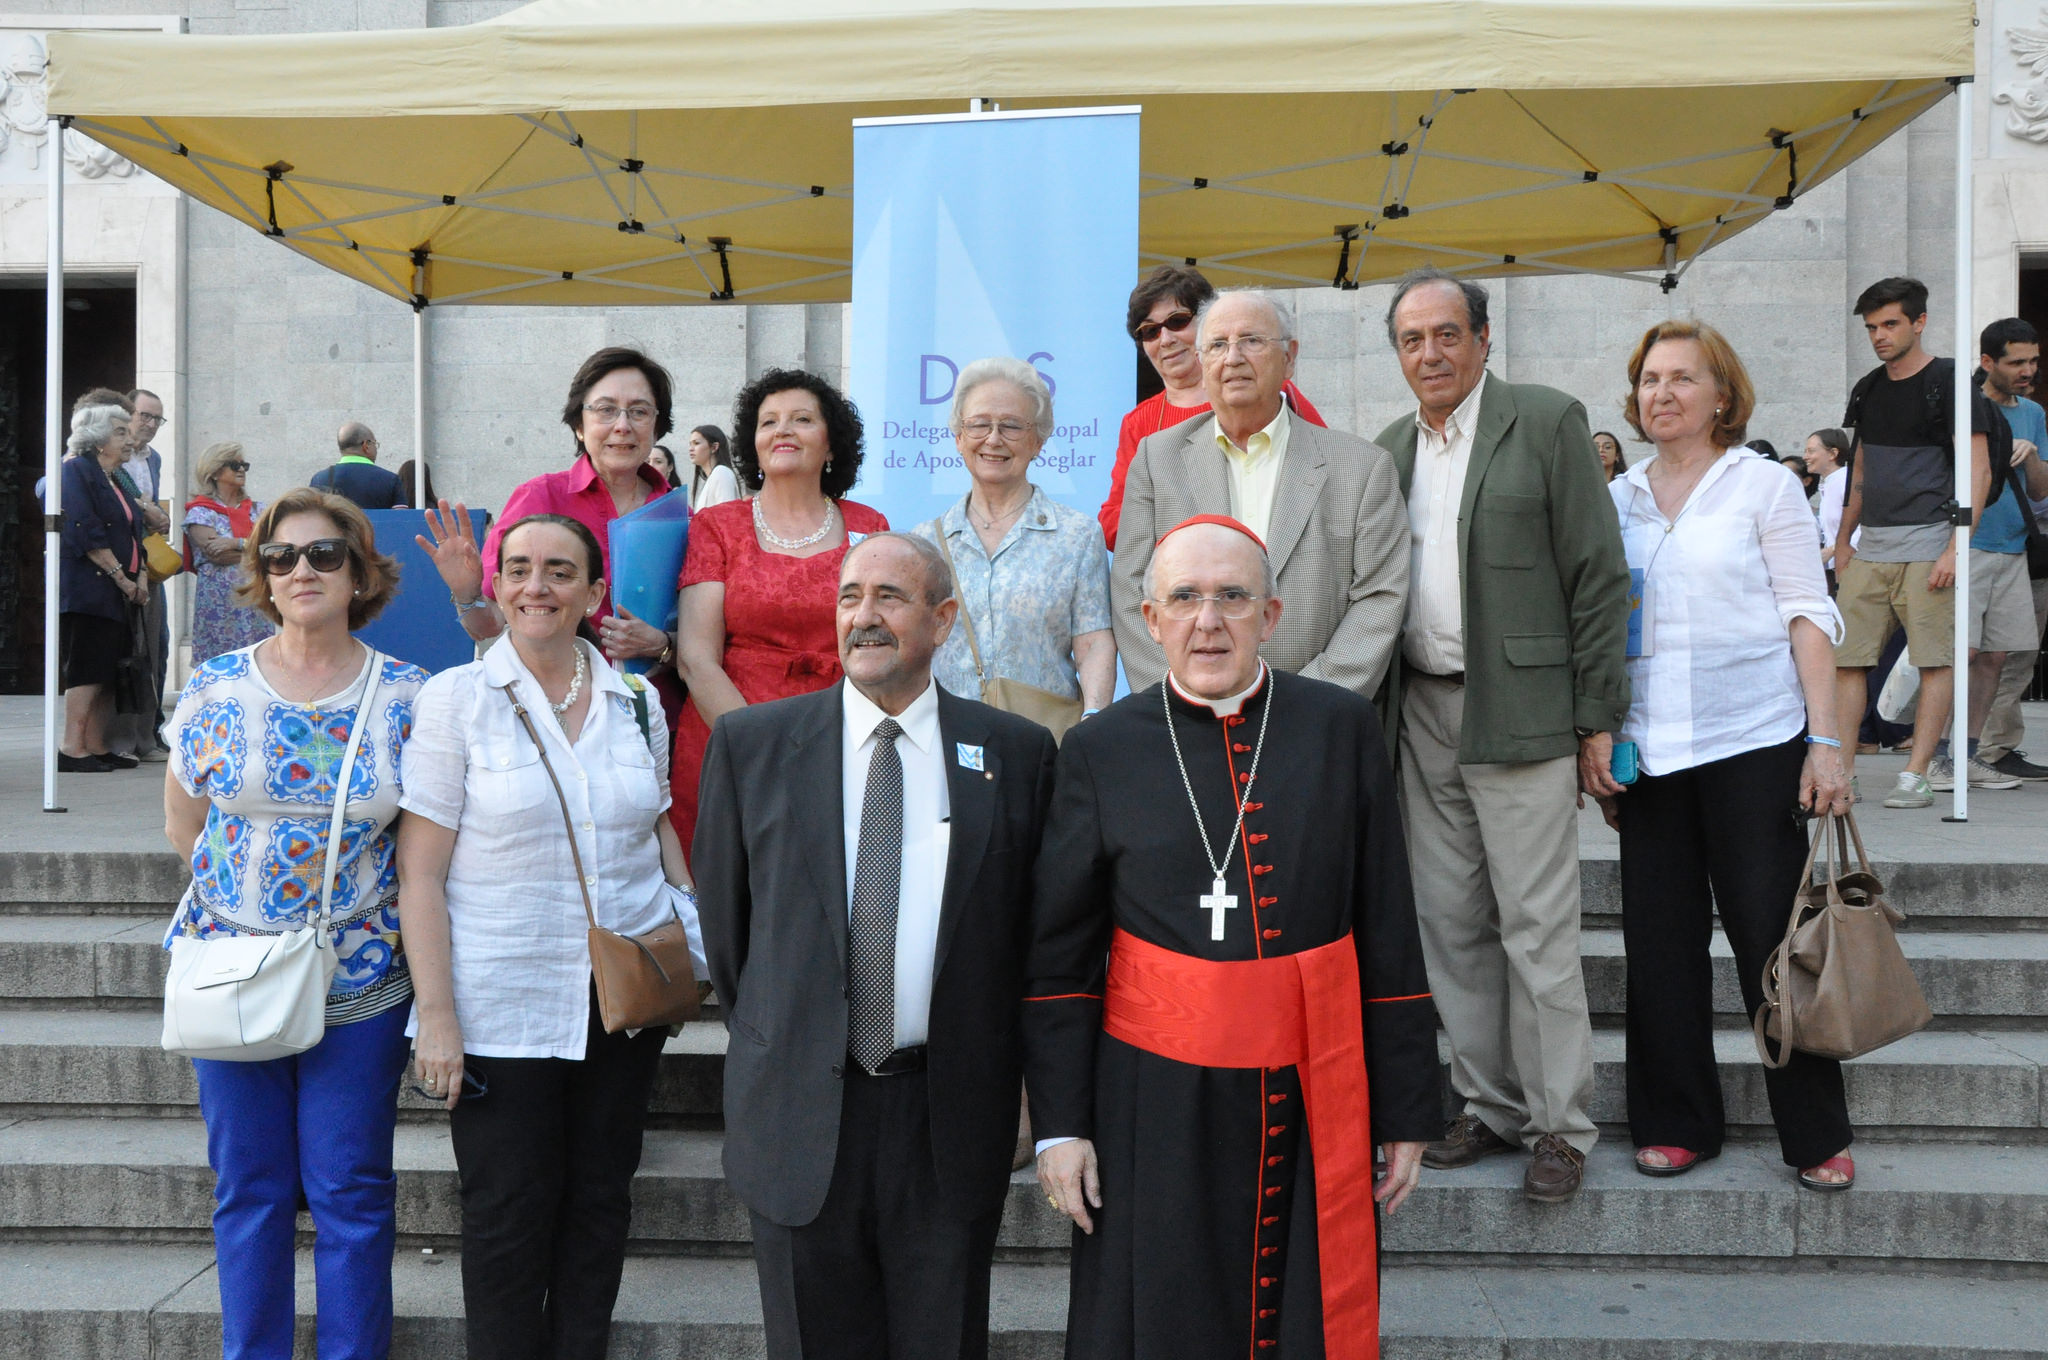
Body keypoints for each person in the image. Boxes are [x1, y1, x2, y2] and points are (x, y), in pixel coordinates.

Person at [1026, 515, 1439, 1358]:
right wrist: (1061, 1126)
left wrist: (1404, 1105)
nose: (1207, 621)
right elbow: (1059, 960)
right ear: (1149, 619)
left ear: (1272, 614)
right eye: (1183, 598)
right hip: (1150, 1095)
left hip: (1310, 1079)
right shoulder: (1101, 749)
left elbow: (1388, 921)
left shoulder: (1338, 727)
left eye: (1231, 598)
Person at [693, 532, 1057, 1360]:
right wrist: (788, 1036)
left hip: (947, 1113)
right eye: (850, 596)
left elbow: (1030, 937)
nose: (864, 616)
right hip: (799, 1109)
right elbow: (729, 931)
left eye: (890, 597)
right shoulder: (753, 747)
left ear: (944, 618)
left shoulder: (1016, 754)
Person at [398, 513, 704, 1360]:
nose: (539, 586)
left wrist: (691, 935)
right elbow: (419, 873)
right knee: (506, 1217)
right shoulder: (456, 700)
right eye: (521, 569)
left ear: (595, 592)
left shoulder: (638, 703)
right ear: (495, 586)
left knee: (601, 1204)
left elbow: (658, 834)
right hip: (503, 1007)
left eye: (561, 571)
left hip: (621, 1004)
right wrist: (439, 1017)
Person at [1374, 269, 1630, 1203]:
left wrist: (1597, 718)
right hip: (1424, 714)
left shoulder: (1547, 419)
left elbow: (1599, 575)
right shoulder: (1390, 447)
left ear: (1483, 339)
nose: (1431, 353)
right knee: (1451, 929)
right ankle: (1486, 1106)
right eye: (1413, 339)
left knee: (1537, 929)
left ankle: (1560, 1125)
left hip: (1520, 713)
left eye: (1448, 334)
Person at [159, 487, 426, 1360]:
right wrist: (250, 906)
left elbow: (422, 856)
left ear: (360, 572)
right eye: (280, 557)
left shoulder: (407, 698)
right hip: (231, 974)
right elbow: (184, 825)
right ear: (261, 577)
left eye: (322, 554)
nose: (299, 570)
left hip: (360, 979)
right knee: (250, 1189)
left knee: (351, 1190)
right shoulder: (214, 686)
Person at [1600, 319, 1856, 1192]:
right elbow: (1604, 631)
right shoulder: (1621, 496)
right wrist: (1602, 737)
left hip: (1755, 740)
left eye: (1681, 378)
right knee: (1659, 947)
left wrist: (1826, 744)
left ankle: (1816, 1133)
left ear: (1722, 395)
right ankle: (1676, 1122)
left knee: (1771, 944)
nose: (1661, 393)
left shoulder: (1762, 488)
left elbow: (1808, 614)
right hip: (1652, 753)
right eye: (1649, 380)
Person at [1110, 289, 1408, 699]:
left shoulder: (1362, 467)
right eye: (1217, 344)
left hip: (1315, 722)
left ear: (1290, 356)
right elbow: (1131, 591)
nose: (1233, 358)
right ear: (1202, 361)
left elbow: (1379, 599)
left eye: (1252, 341)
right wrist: (1184, 700)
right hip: (1189, 723)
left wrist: (1308, 707)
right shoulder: (1157, 460)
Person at [671, 368, 889, 849]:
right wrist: (762, 747)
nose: (783, 430)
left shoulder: (870, 525)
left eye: (802, 419)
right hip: (732, 740)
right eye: (769, 422)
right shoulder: (716, 526)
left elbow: (881, 643)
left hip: (842, 744)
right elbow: (695, 658)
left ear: (831, 445)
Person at [422, 347, 683, 719]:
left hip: (656, 714)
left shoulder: (681, 516)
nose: (622, 425)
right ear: (579, 424)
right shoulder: (540, 497)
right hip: (552, 711)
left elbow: (705, 635)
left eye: (639, 411)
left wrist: (662, 645)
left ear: (657, 426)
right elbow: (489, 625)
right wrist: (465, 590)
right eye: (606, 410)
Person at [1833, 277, 2000, 809]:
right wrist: (1842, 538)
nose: (1879, 336)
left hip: (1931, 540)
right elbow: (1860, 466)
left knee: (1935, 660)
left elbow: (1979, 469)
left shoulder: (1950, 381)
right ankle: (1842, 770)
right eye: (1871, 327)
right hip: (1872, 544)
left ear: (1919, 322)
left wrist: (1956, 546)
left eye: (1890, 324)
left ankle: (1917, 773)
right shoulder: (1867, 388)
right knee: (1846, 659)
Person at [910, 357, 1115, 720]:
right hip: (947, 740)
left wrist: (1094, 719)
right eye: (978, 425)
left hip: (1044, 745)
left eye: (1011, 426)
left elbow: (1093, 642)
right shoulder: (924, 543)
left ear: (1038, 441)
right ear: (958, 438)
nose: (993, 439)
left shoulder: (1077, 536)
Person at [1098, 264, 1324, 550]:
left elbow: (1325, 476)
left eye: (1178, 321)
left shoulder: (1277, 394)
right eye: (1150, 331)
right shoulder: (1139, 422)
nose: (1166, 339)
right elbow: (1114, 523)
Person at [1956, 319, 2048, 783]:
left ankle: (1971, 755)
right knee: (1961, 652)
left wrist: (2032, 456)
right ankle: (1939, 753)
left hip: (2014, 549)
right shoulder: (1963, 406)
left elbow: (2040, 491)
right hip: (1968, 544)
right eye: (2016, 362)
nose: (2027, 369)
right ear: (1988, 361)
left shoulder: (2032, 413)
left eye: (2032, 360)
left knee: (1996, 656)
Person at [56, 392, 149, 773]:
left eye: (128, 432)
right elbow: (84, 530)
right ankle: (71, 747)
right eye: (120, 432)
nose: (129, 439)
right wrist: (121, 579)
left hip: (121, 589)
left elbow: (135, 532)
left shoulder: (117, 480)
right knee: (88, 668)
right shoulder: (76, 469)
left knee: (110, 669)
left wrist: (139, 573)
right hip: (91, 589)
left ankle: (95, 744)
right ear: (96, 438)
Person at [112, 387, 173, 763]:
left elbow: (151, 509)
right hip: (117, 563)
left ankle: (147, 735)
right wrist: (143, 510)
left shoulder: (154, 459)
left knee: (157, 647)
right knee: (123, 650)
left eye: (157, 418)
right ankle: (119, 739)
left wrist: (159, 517)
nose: (150, 425)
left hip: (149, 564)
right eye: (144, 416)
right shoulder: (106, 456)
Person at [183, 441, 273, 664]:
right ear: (214, 471)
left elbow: (272, 549)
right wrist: (255, 550)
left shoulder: (258, 510)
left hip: (255, 603)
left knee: (259, 663)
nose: (242, 470)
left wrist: (236, 543)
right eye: (234, 465)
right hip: (220, 608)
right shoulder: (201, 511)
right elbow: (217, 555)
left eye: (244, 465)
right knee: (220, 668)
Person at [311, 422, 405, 510]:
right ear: (366, 445)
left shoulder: (319, 479)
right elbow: (401, 521)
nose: (376, 448)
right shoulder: (391, 480)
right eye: (374, 444)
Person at [1809, 428, 1854, 559]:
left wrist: (1833, 550)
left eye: (1811, 451)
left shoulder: (1845, 481)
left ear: (1832, 453)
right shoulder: (1830, 482)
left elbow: (1860, 529)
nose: (1805, 457)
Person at [685, 424, 741, 510]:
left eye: (696, 443)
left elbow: (726, 516)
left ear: (714, 447)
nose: (691, 449)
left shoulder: (722, 472)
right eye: (690, 444)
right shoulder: (714, 476)